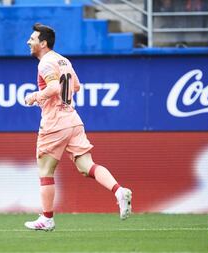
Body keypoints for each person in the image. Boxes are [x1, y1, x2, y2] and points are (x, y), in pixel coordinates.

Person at [23, 23, 132, 231]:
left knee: (45, 171)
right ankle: (118, 190)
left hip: (54, 122)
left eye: (32, 39)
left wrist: (35, 96)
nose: (29, 42)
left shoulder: (45, 63)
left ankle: (47, 219)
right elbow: (76, 86)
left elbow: (54, 87)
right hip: (72, 119)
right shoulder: (63, 60)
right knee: (87, 166)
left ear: (43, 43)